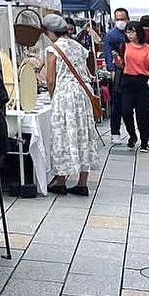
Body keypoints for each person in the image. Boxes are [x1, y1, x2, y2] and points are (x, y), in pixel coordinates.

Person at [40, 15, 99, 196]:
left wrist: (52, 95)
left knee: (62, 135)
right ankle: (82, 183)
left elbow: (50, 79)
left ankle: (60, 180)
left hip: (65, 95)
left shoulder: (53, 49)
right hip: (83, 95)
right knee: (83, 134)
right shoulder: (78, 47)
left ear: (50, 32)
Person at [120, 20, 149, 150]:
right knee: (126, 111)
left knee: (142, 113)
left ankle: (144, 140)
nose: (129, 35)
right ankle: (132, 135)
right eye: (128, 32)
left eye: (132, 32)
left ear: (139, 33)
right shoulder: (125, 46)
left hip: (143, 81)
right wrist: (117, 60)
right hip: (128, 80)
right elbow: (121, 64)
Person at [105, 8, 129, 143]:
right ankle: (115, 132)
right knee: (117, 104)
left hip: (133, 72)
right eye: (117, 19)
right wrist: (112, 70)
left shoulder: (132, 33)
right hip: (119, 72)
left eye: (122, 19)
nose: (120, 21)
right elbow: (108, 53)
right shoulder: (111, 35)